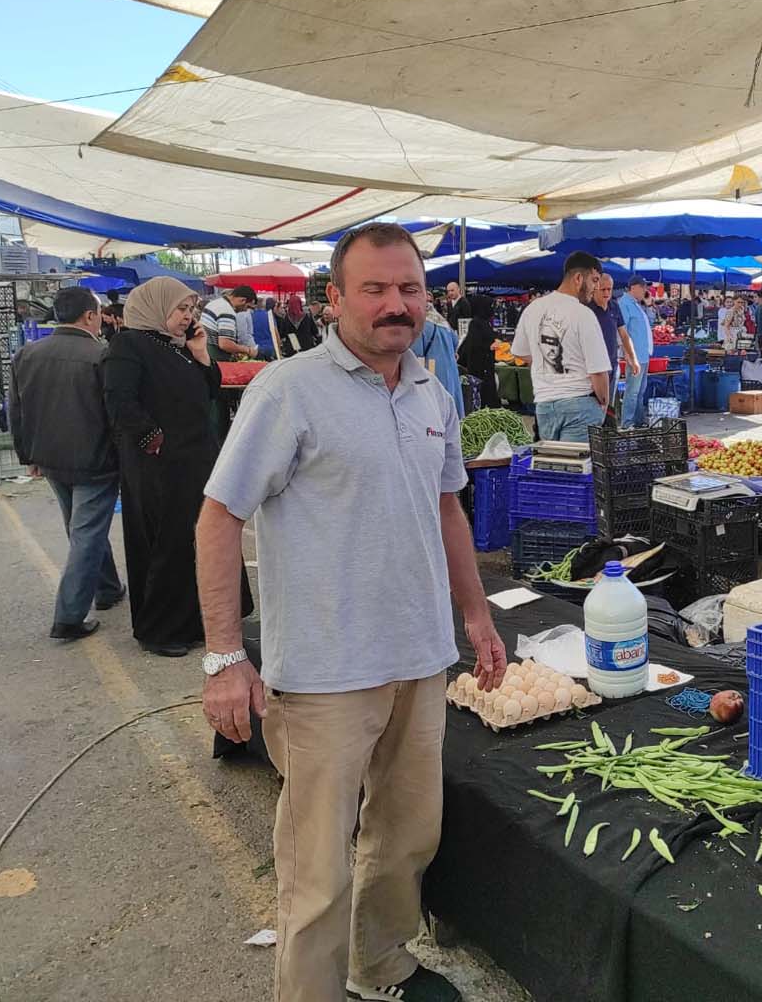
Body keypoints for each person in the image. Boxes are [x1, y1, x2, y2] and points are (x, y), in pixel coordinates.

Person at [197, 221, 506, 1002]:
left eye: (409, 289)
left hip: (419, 656)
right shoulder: (288, 389)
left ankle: (381, 964)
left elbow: (448, 509)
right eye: (374, 289)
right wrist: (226, 657)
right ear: (334, 299)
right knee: (317, 869)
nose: (394, 304)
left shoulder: (433, 392)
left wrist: (475, 618)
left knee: (406, 836)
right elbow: (219, 517)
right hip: (324, 670)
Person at [105, 277, 247, 657]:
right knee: (167, 544)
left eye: (191, 309)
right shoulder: (129, 345)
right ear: (156, 308)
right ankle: (160, 630)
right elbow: (119, 401)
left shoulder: (177, 347)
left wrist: (201, 353)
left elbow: (212, 391)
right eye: (181, 309)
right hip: (160, 466)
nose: (188, 316)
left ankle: (197, 621)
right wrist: (153, 439)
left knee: (198, 540)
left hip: (193, 460)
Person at [8, 285, 125, 640]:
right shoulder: (101, 356)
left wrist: (27, 455)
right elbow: (114, 415)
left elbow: (16, 411)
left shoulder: (27, 354)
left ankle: (107, 588)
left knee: (81, 528)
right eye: (99, 314)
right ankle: (69, 617)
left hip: (50, 458)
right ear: (90, 316)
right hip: (94, 460)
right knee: (86, 533)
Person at [511, 252, 611, 442]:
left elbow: (520, 352)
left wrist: (549, 366)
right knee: (576, 461)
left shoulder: (533, 309)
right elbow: (598, 371)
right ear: (578, 278)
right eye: (594, 280)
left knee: (553, 461)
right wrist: (604, 403)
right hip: (580, 405)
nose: (596, 287)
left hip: (544, 407)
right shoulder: (583, 314)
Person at [587, 271, 636, 409]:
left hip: (612, 364)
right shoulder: (587, 309)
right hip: (594, 368)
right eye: (603, 289)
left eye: (609, 289)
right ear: (595, 288)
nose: (607, 293)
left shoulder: (614, 306)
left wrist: (633, 358)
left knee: (609, 407)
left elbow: (624, 334)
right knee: (595, 407)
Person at [617, 277, 653, 427]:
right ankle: (627, 422)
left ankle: (639, 420)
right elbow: (622, 330)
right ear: (633, 287)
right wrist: (628, 353)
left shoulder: (637, 305)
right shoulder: (624, 304)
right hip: (635, 355)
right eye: (643, 287)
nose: (645, 290)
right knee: (632, 391)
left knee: (640, 391)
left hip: (643, 354)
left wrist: (649, 305)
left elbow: (649, 322)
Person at [457, 293, 501, 409]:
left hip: (487, 366)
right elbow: (474, 346)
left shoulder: (484, 322)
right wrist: (489, 347)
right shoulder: (475, 323)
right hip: (480, 369)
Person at [201, 284, 260, 361]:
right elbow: (225, 344)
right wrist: (247, 350)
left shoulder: (215, 303)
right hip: (215, 357)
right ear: (243, 300)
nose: (246, 310)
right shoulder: (227, 311)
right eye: (248, 307)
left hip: (204, 351)